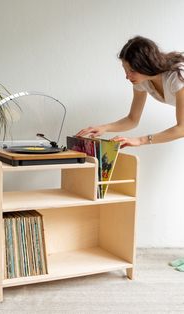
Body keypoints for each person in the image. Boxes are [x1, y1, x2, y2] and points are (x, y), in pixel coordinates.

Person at [76, 35, 184, 270]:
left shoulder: (177, 77)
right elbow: (132, 119)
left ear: (146, 64)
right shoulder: (141, 82)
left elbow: (181, 128)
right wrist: (103, 127)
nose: (127, 75)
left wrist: (141, 141)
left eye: (131, 69)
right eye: (125, 69)